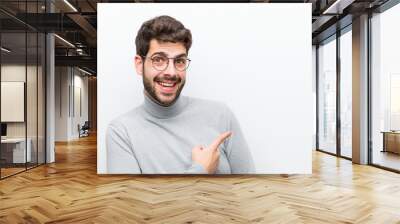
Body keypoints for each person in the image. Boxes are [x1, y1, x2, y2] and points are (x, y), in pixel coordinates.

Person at [106, 15, 255, 174]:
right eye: (159, 60)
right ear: (139, 64)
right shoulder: (121, 132)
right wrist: (201, 170)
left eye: (179, 61)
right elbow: (130, 199)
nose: (171, 72)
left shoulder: (221, 115)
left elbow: (250, 189)